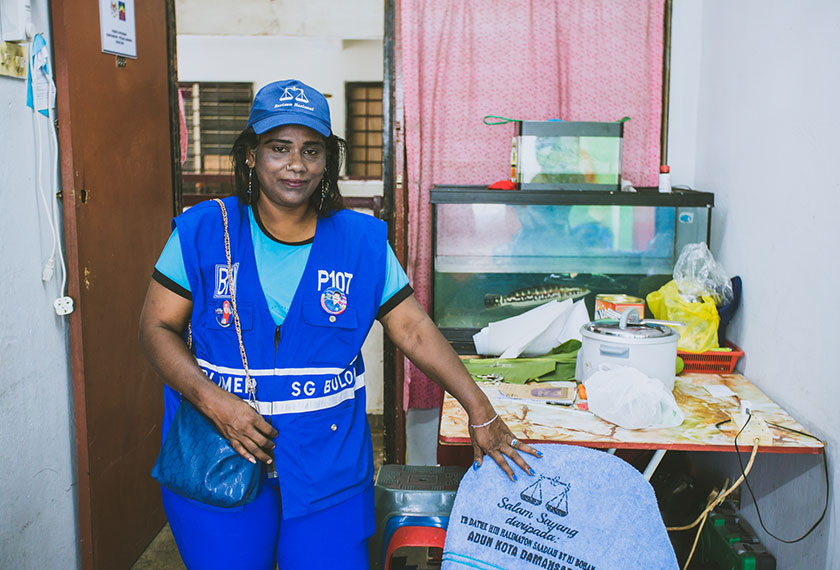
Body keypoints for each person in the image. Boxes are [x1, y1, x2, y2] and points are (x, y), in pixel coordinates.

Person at [138, 79, 541, 570]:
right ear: (250, 154)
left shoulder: (361, 240)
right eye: (279, 148)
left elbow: (412, 328)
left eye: (312, 150)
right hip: (220, 452)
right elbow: (155, 329)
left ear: (328, 161)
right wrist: (214, 403)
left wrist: (479, 407)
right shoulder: (202, 230)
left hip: (328, 467)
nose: (296, 164)